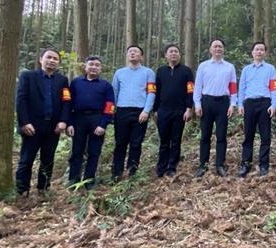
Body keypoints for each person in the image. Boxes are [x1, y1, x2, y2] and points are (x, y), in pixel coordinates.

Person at [15, 48, 71, 195]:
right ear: (41, 59)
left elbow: (66, 101)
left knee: (48, 159)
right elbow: (21, 100)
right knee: (26, 159)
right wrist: (24, 122)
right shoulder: (28, 76)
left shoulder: (62, 80)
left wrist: (63, 121)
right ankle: (22, 189)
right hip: (31, 126)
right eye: (49, 57)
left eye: (55, 59)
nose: (52, 61)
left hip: (53, 127)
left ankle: (43, 188)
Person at [66, 56, 115, 190]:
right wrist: (69, 123)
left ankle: (89, 180)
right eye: (91, 64)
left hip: (97, 119)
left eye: (97, 65)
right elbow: (68, 103)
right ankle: (73, 180)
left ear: (100, 68)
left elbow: (110, 105)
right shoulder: (76, 83)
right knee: (77, 151)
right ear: (86, 67)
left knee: (94, 152)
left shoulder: (106, 85)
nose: (94, 67)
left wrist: (103, 124)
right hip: (78, 119)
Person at [193, 39, 237, 177]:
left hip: (223, 103)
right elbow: (198, 87)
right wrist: (197, 104)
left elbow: (233, 88)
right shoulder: (203, 66)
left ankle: (220, 164)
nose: (218, 48)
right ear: (210, 49)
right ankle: (203, 164)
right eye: (215, 46)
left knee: (221, 135)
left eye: (220, 46)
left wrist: (232, 104)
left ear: (223, 49)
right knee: (205, 135)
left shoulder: (229, 67)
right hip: (207, 102)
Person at [111, 45, 156, 181]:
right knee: (120, 143)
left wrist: (146, 111)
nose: (132, 54)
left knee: (136, 143)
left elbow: (151, 92)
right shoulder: (119, 73)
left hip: (140, 111)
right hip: (122, 110)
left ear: (141, 56)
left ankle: (132, 172)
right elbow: (114, 93)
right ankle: (116, 173)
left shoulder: (148, 72)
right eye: (130, 52)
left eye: (135, 52)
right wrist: (112, 113)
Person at [237, 42, 276, 177]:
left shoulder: (270, 69)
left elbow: (274, 87)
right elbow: (241, 88)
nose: (259, 52)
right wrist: (240, 104)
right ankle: (246, 164)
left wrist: (274, 105)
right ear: (252, 52)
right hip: (249, 103)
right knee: (248, 135)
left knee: (265, 136)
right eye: (257, 49)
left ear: (265, 53)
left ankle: (264, 165)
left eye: (262, 50)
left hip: (265, 103)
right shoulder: (246, 69)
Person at [152, 44, 194, 178]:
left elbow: (190, 90)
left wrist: (189, 108)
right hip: (163, 110)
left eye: (176, 51)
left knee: (176, 140)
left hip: (180, 111)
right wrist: (155, 109)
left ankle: (172, 166)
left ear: (180, 55)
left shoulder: (186, 71)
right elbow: (156, 91)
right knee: (164, 140)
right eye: (171, 52)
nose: (174, 54)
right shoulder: (160, 71)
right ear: (166, 55)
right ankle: (161, 166)